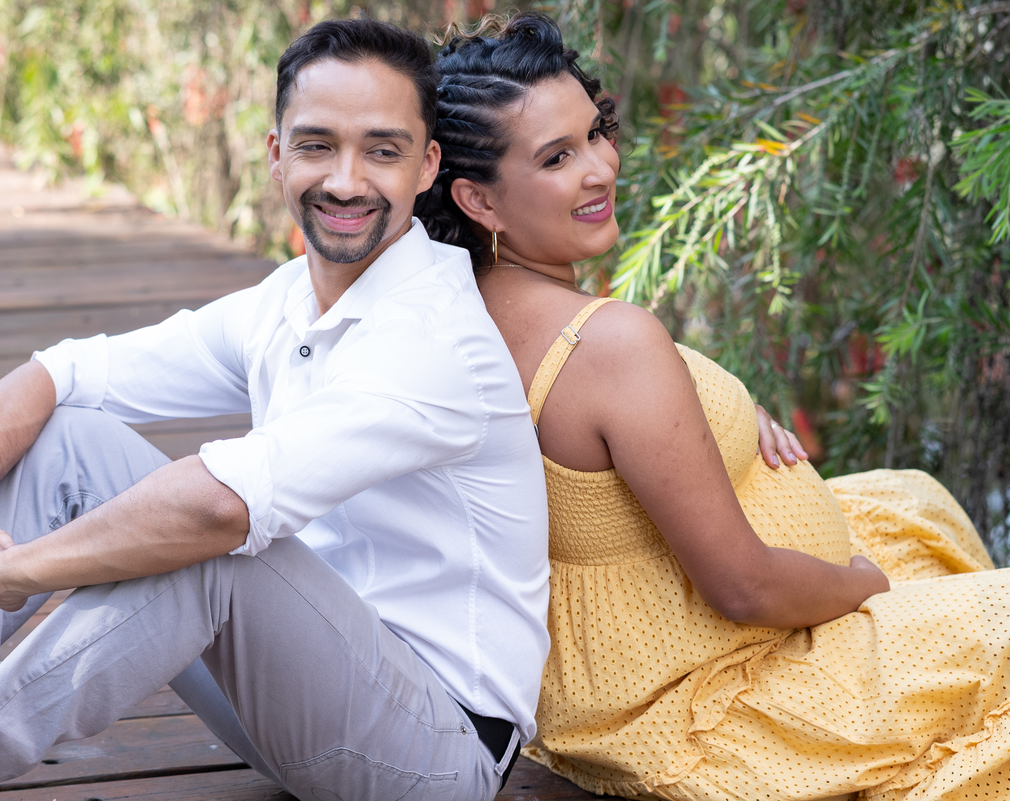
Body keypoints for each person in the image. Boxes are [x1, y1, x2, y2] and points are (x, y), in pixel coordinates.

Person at [0, 19, 551, 801]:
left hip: (434, 751)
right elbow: (55, 374)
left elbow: (217, 508)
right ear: (276, 153)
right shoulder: (287, 300)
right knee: (68, 438)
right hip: (295, 692)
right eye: (317, 145)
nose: (345, 180)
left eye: (382, 151)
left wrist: (13, 570)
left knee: (211, 542)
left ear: (427, 165)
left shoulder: (433, 340)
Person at [414, 12, 1010, 801]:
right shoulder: (606, 344)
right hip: (709, 692)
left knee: (910, 504)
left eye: (595, 134)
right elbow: (744, 588)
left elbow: (597, 448)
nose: (600, 168)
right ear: (477, 199)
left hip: (612, 680)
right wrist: (867, 587)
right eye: (557, 157)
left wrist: (707, 406)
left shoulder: (464, 309)